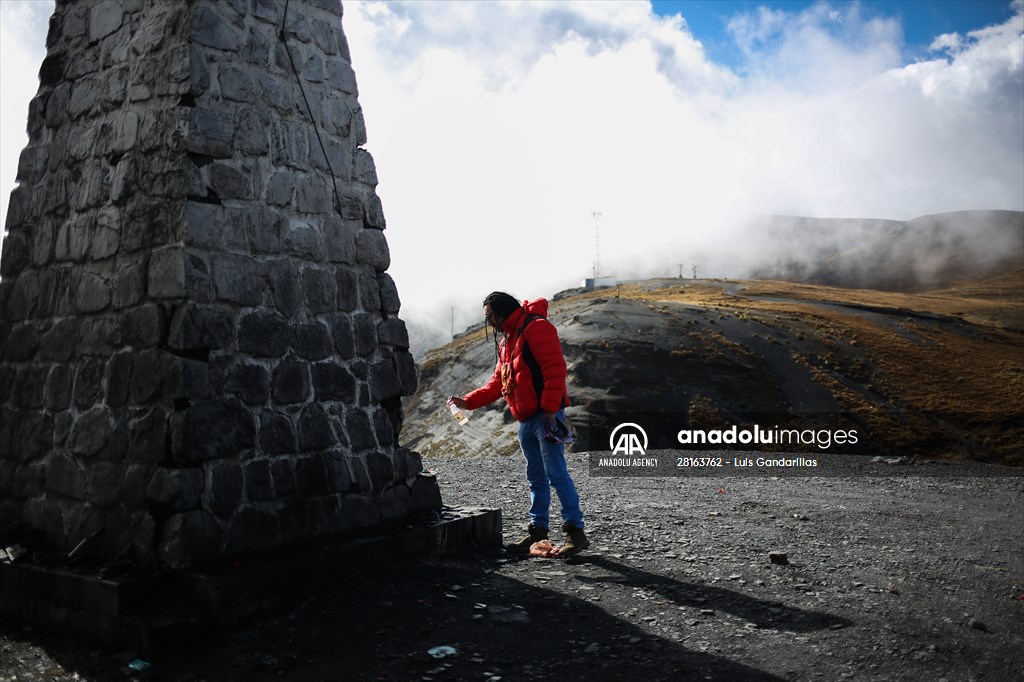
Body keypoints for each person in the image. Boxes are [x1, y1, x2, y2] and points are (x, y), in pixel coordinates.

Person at [447, 292, 590, 557]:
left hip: (546, 417)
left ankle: (575, 532)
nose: (489, 323)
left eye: (490, 317)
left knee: (556, 473)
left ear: (502, 313)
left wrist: (549, 409)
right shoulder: (507, 341)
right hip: (526, 419)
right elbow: (497, 384)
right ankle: (538, 533)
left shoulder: (537, 328)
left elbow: (555, 368)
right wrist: (466, 402)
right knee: (536, 477)